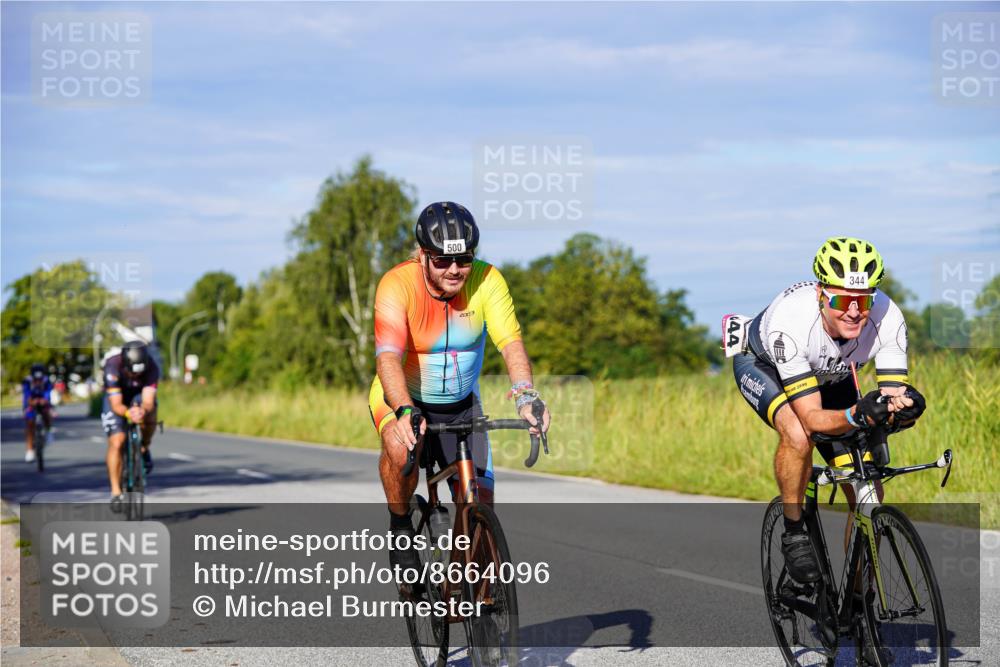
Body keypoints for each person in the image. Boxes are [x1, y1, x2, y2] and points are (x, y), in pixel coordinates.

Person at [369, 201, 551, 576]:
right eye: (442, 261)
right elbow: (388, 358)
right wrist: (404, 410)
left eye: (464, 259)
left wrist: (526, 394)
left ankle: (480, 598)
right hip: (404, 395)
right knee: (401, 454)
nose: (455, 270)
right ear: (423, 256)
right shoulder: (397, 284)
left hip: (461, 402)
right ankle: (401, 528)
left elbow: (510, 342)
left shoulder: (488, 280)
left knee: (480, 500)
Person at [731, 237, 926, 583]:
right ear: (821, 294)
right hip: (765, 366)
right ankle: (793, 531)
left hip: (831, 375)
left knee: (869, 489)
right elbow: (811, 419)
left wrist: (902, 410)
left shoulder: (888, 315)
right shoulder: (792, 321)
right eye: (842, 299)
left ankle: (855, 592)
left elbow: (890, 395)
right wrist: (856, 415)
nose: (854, 311)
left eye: (863, 300)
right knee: (798, 435)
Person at [101, 340, 160, 511]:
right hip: (117, 399)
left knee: (151, 413)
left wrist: (142, 411)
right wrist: (127, 413)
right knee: (117, 441)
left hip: (139, 396)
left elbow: (148, 400)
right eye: (132, 372)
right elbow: (116, 404)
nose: (135, 376)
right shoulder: (112, 366)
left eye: (139, 373)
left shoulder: (152, 367)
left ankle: (144, 447)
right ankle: (115, 491)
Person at [22, 363, 53, 462]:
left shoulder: (46, 380)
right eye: (36, 379)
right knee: (30, 423)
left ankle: (48, 432)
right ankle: (30, 449)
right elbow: (26, 394)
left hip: (43, 400)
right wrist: (31, 402)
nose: (38, 381)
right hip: (31, 402)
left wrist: (45, 400)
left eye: (40, 379)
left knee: (47, 413)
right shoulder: (27, 381)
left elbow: (48, 393)